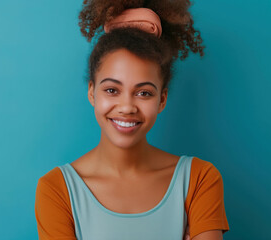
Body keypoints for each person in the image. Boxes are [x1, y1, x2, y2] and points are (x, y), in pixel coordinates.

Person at [35, 0, 230, 239]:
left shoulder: (199, 179)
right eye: (111, 90)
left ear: (162, 99)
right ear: (91, 92)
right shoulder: (56, 189)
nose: (127, 107)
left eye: (144, 93)